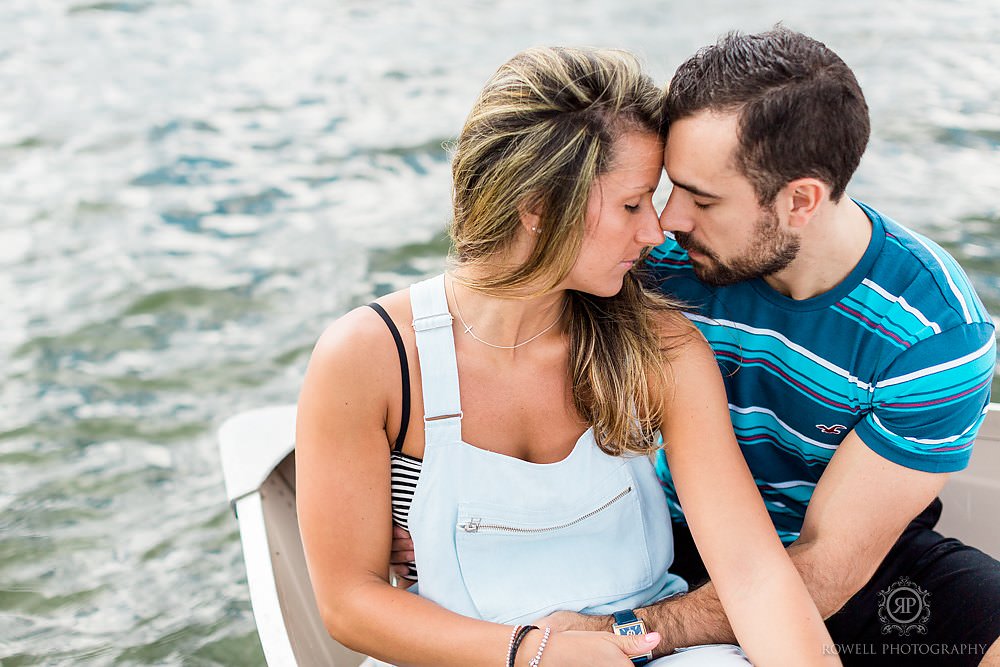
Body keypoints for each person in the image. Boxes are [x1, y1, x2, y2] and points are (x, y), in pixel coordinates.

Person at [296, 46, 840, 667]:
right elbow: (348, 601)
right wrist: (532, 654)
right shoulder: (372, 358)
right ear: (540, 207)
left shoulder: (661, 348)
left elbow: (752, 575)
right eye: (633, 204)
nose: (655, 232)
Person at [538, 27, 1000, 666]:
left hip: (841, 564)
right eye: (671, 186)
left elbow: (830, 566)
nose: (667, 220)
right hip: (661, 528)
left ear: (800, 200)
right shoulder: (654, 258)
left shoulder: (935, 332)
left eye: (702, 198)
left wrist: (624, 630)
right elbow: (499, 339)